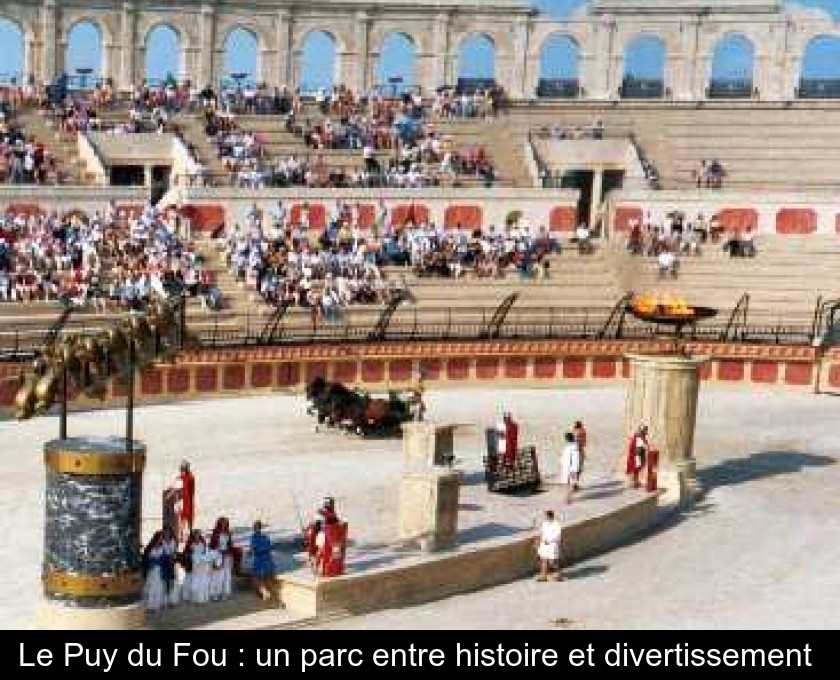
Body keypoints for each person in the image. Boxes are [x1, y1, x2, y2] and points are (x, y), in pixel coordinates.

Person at [208, 517, 234, 601]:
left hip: (226, 556)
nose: (224, 524)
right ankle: (215, 594)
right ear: (219, 523)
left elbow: (230, 545)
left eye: (225, 523)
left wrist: (229, 553)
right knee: (217, 575)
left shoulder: (228, 533)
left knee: (226, 575)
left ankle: (225, 593)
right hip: (217, 555)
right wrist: (217, 550)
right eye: (222, 522)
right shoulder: (215, 533)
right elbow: (211, 545)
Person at [250, 520, 275, 601]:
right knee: (266, 578)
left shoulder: (254, 538)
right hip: (267, 560)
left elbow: (254, 550)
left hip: (260, 560)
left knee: (257, 578)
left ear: (254, 528)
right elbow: (269, 547)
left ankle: (265, 593)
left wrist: (251, 552)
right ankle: (267, 593)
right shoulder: (265, 537)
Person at [536, 509, 563, 581]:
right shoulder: (544, 523)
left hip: (552, 545)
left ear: (550, 516)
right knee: (544, 560)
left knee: (553, 561)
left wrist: (550, 541)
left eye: (546, 516)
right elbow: (541, 533)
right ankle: (543, 576)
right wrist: (538, 541)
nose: (545, 518)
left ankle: (558, 575)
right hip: (544, 544)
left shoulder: (556, 524)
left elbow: (558, 535)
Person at [174, 460, 195, 543]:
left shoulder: (190, 477)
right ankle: (182, 535)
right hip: (184, 501)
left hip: (186, 500)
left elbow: (191, 491)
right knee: (183, 519)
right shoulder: (185, 478)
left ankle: (187, 535)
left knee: (186, 519)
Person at [626, 425, 651, 489]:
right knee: (636, 469)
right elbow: (640, 447)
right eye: (645, 431)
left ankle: (635, 482)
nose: (646, 433)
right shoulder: (639, 438)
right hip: (637, 455)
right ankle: (635, 482)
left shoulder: (639, 437)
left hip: (636, 455)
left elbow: (644, 444)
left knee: (636, 469)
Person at [559, 432, 581, 504]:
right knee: (566, 483)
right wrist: (561, 461)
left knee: (569, 484)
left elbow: (576, 459)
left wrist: (574, 470)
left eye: (566, 438)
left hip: (571, 468)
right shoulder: (568, 446)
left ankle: (568, 498)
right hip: (566, 467)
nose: (566, 440)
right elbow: (565, 457)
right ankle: (567, 497)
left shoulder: (574, 448)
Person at [572, 421, 587, 487]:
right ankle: (575, 483)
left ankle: (573, 482)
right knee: (579, 468)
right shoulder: (582, 432)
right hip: (579, 451)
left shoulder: (573, 432)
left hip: (572, 451)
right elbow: (584, 443)